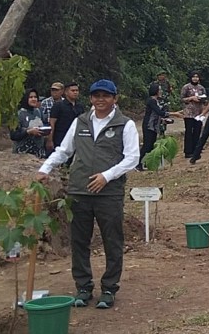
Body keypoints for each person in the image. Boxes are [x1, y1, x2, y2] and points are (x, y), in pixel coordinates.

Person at [36, 79, 139, 309]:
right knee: (79, 241)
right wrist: (45, 169)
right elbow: (64, 150)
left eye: (106, 96)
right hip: (79, 191)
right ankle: (83, 287)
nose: (100, 100)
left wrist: (107, 176)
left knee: (112, 240)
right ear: (90, 98)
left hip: (108, 193)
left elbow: (132, 158)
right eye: (96, 96)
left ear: (115, 99)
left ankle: (109, 289)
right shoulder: (80, 121)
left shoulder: (125, 124)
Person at [140, 83, 181, 170]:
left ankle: (148, 163)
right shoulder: (151, 101)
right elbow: (159, 112)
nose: (161, 91)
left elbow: (158, 115)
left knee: (151, 145)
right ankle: (138, 164)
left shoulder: (156, 101)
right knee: (147, 145)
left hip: (154, 125)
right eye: (159, 90)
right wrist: (174, 114)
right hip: (149, 125)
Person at [48, 82, 83, 158]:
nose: (75, 92)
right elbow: (52, 123)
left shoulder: (80, 107)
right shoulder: (58, 105)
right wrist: (50, 140)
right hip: (59, 139)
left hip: (75, 139)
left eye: (77, 90)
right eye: (72, 90)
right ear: (66, 92)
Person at [11, 88, 48, 158]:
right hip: (22, 154)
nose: (34, 99)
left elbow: (45, 124)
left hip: (39, 153)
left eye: (35, 97)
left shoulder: (39, 112)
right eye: (31, 97)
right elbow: (13, 135)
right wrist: (28, 132)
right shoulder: (18, 114)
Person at [180, 72, 207, 159]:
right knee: (189, 132)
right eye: (193, 77)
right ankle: (188, 151)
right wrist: (191, 98)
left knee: (197, 131)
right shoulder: (186, 87)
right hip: (189, 113)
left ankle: (196, 149)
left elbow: (206, 99)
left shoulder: (201, 88)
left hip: (198, 112)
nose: (195, 78)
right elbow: (182, 99)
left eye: (197, 77)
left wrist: (201, 99)